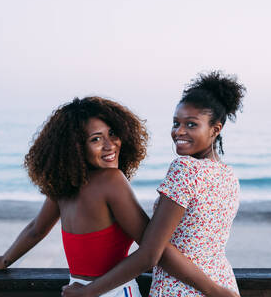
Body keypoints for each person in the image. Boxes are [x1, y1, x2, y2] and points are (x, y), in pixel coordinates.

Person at [0, 96, 237, 297]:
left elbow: (37, 229)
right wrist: (214, 289)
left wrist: (6, 259)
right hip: (105, 291)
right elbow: (153, 251)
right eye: (96, 139)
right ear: (74, 147)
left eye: (113, 134)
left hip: (85, 290)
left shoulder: (66, 185)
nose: (110, 145)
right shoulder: (109, 181)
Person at [62, 71, 245, 297]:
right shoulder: (229, 175)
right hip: (223, 280)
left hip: (181, 289)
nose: (179, 131)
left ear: (215, 129)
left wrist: (88, 291)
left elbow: (150, 253)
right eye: (176, 123)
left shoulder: (185, 169)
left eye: (191, 124)